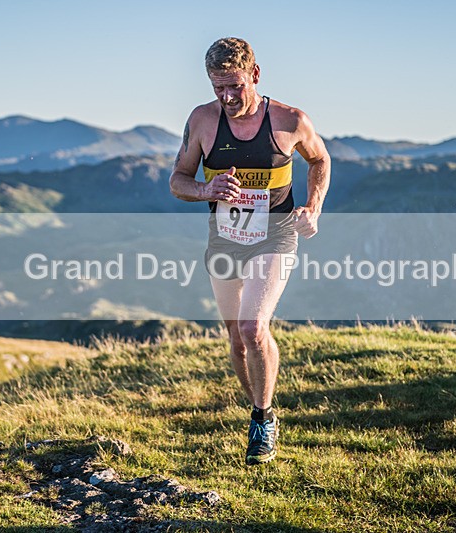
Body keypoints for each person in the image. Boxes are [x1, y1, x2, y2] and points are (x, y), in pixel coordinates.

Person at [169, 37, 330, 464]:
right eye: (218, 88)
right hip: (224, 238)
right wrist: (206, 189)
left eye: (235, 86)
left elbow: (319, 160)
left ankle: (263, 418)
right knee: (237, 341)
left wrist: (313, 207)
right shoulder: (202, 121)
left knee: (252, 327)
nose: (227, 97)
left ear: (255, 75)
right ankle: (259, 404)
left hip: (275, 234)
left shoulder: (290, 120)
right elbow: (178, 180)